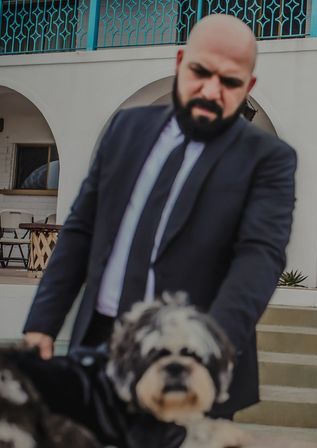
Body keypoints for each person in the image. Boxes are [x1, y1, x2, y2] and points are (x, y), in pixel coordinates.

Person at [21, 14, 297, 420]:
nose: (211, 89)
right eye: (200, 72)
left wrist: (206, 348)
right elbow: (82, 229)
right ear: (180, 61)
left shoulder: (269, 158)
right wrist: (42, 321)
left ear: (248, 86)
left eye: (230, 81)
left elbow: (260, 257)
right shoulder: (125, 127)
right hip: (100, 341)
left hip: (188, 363)